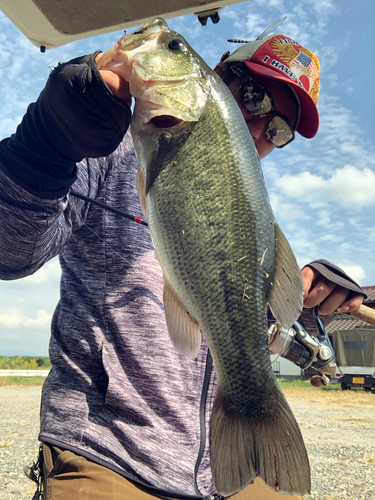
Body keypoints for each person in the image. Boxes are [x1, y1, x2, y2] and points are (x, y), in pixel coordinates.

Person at [0, 27, 365, 500]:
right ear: (216, 80)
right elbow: (11, 253)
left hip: (223, 468)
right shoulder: (101, 148)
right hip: (110, 454)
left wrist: (316, 296)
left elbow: (260, 324)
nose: (259, 129)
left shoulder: (255, 214)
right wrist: (43, 148)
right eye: (253, 99)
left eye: (279, 129)